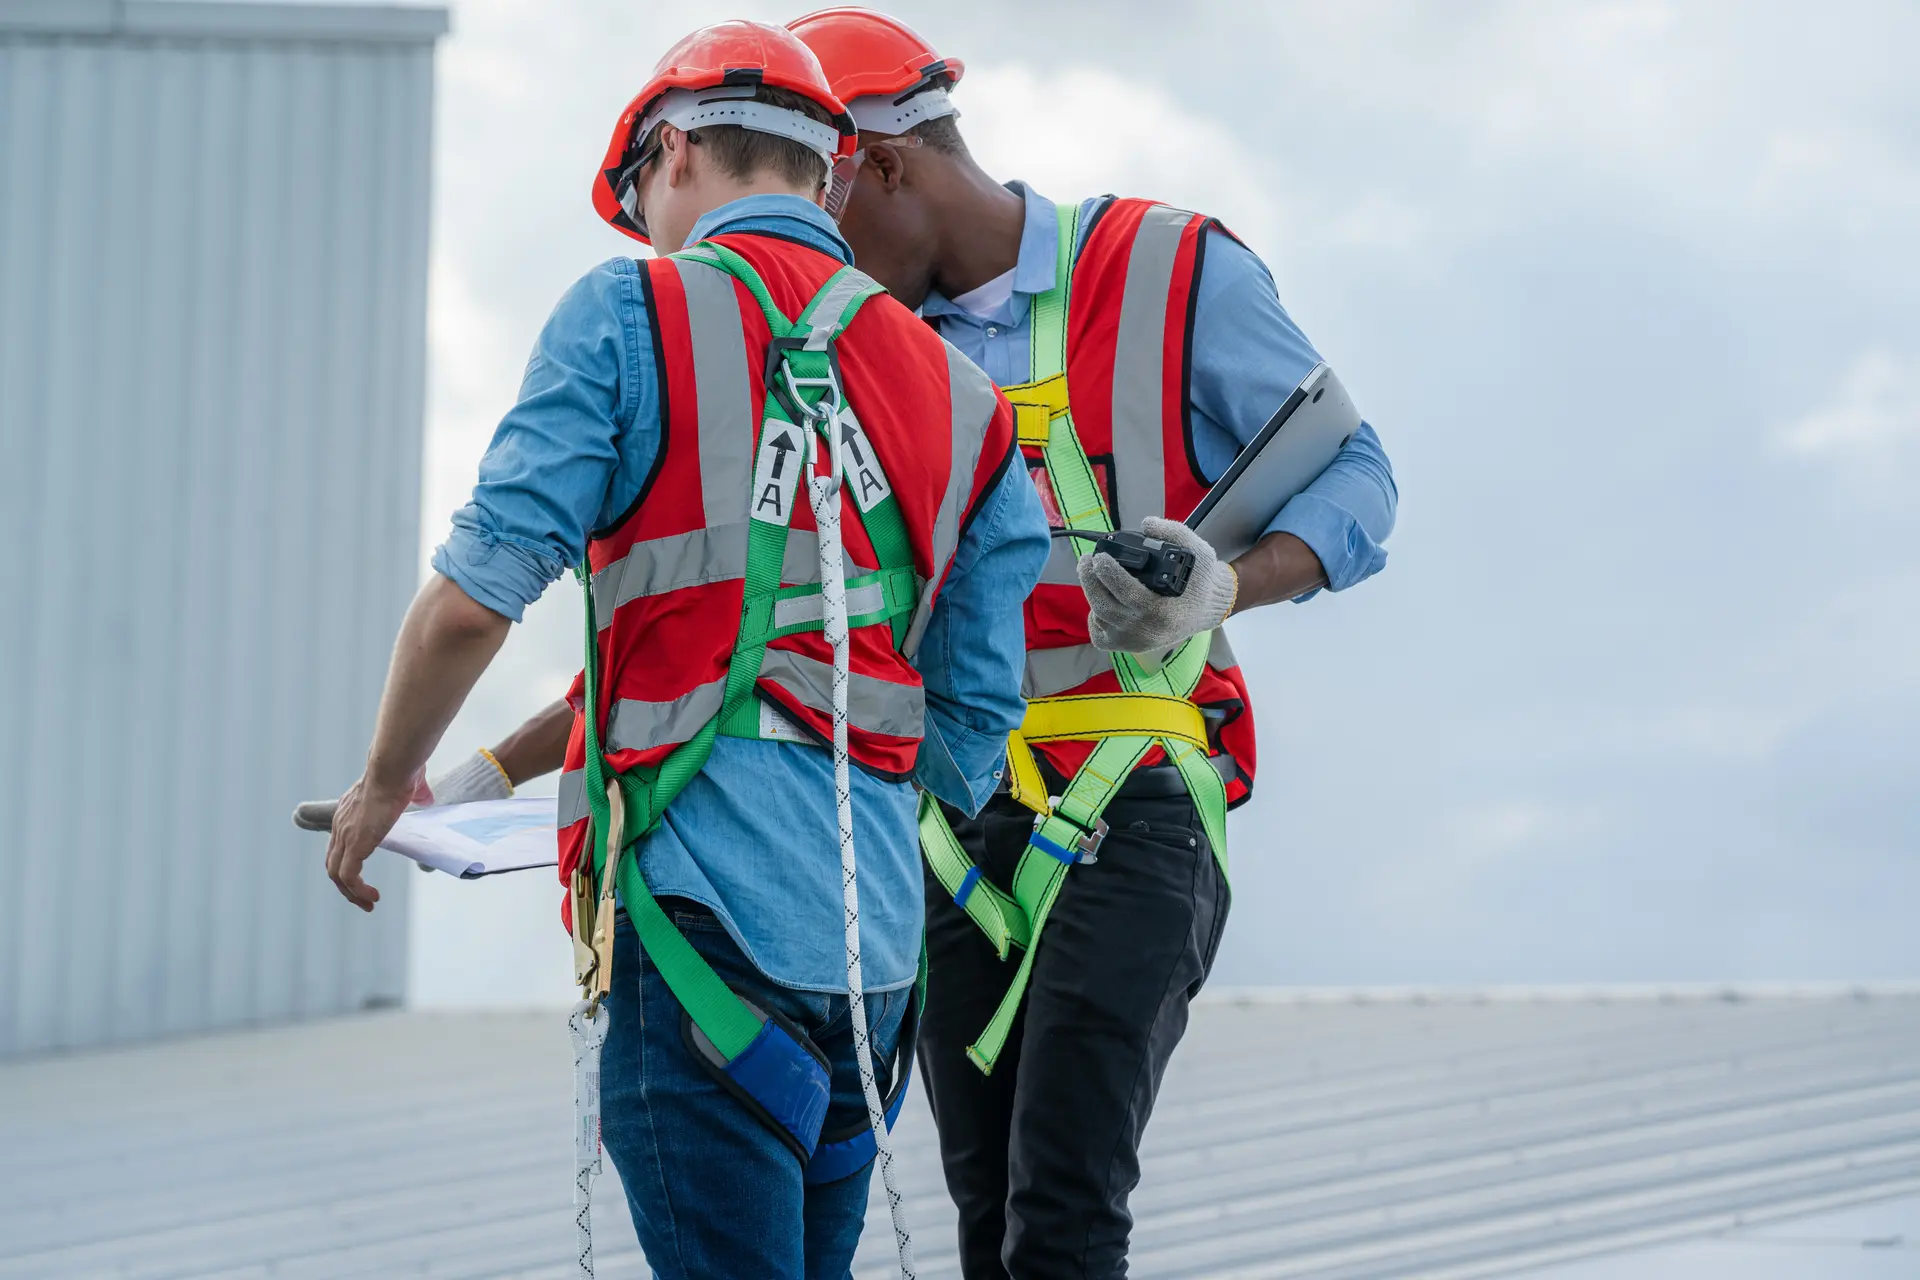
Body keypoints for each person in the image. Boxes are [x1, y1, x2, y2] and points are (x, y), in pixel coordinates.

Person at [317, 20, 1048, 1278]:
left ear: (670, 154)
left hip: (702, 929)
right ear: (827, 175)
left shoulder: (628, 310)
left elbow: (472, 598)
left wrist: (387, 782)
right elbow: (978, 706)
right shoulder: (960, 394)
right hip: (872, 973)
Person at [782, 10, 1401, 1278]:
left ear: (882, 166)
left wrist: (1225, 585)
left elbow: (1357, 473)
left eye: (820, 221)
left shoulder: (1169, 269)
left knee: (1061, 1208)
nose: (815, 271)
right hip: (953, 829)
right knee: (988, 1218)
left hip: (1136, 798)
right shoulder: (858, 356)